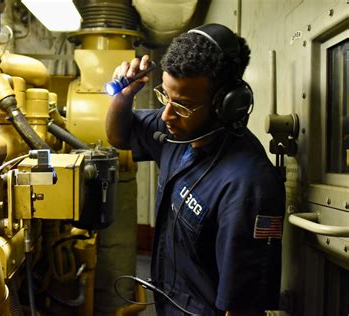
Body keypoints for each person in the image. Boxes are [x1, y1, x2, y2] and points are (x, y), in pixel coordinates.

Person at [106, 23, 285, 316]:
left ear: (225, 106)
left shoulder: (248, 186)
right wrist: (123, 95)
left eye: (184, 105)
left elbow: (241, 307)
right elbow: (120, 136)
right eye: (165, 96)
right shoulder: (178, 132)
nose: (167, 114)